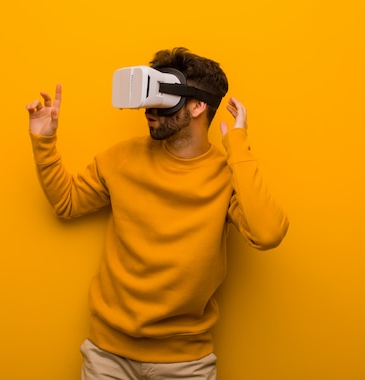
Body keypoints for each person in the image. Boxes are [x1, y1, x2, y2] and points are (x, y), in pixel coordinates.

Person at [26, 47, 289, 380]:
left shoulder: (226, 175)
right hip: (109, 354)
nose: (149, 110)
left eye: (162, 95)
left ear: (197, 105)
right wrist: (43, 142)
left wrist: (237, 146)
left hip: (186, 361)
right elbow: (67, 202)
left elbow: (267, 233)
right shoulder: (122, 158)